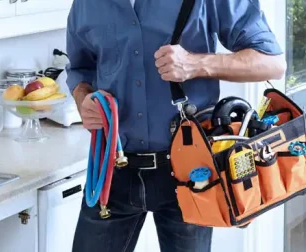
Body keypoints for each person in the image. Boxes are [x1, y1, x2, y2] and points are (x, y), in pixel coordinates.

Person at [65, 0, 286, 251]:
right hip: (111, 170)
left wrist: (196, 64)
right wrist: (83, 98)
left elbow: (272, 63)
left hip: (191, 172)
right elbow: (80, 69)